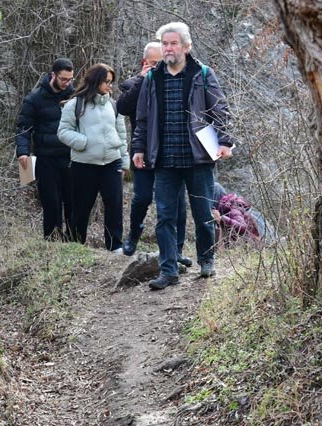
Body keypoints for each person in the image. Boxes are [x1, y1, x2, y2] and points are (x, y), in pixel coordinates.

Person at [132, 22, 233, 290]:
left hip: (198, 158)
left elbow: (219, 110)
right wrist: (139, 148)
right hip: (164, 160)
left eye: (173, 43)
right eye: (165, 44)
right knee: (164, 216)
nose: (168, 48)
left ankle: (207, 262)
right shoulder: (153, 78)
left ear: (186, 47)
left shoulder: (203, 74)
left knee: (202, 213)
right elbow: (142, 119)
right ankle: (169, 270)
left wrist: (224, 142)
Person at [117, 42, 189, 265]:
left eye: (162, 63)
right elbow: (123, 108)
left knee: (177, 201)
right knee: (142, 197)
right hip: (145, 152)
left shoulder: (176, 82)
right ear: (145, 63)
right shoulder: (132, 84)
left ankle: (176, 249)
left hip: (172, 152)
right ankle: (132, 237)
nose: (160, 67)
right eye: (154, 63)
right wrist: (143, 79)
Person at [57, 63, 129, 253]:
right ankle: (75, 245)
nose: (109, 86)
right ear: (95, 81)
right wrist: (83, 142)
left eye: (111, 82)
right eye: (106, 82)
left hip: (112, 163)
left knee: (114, 206)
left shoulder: (114, 105)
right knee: (80, 208)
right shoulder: (75, 104)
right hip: (84, 165)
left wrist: (125, 160)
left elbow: (121, 134)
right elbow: (63, 131)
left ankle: (115, 246)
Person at [15, 58, 75, 241]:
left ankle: (73, 240)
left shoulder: (75, 97)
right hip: (45, 158)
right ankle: (52, 241)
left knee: (73, 201)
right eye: (63, 79)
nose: (67, 83)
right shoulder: (34, 98)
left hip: (71, 156)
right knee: (51, 202)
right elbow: (23, 127)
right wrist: (23, 152)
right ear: (53, 75)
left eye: (70, 79)